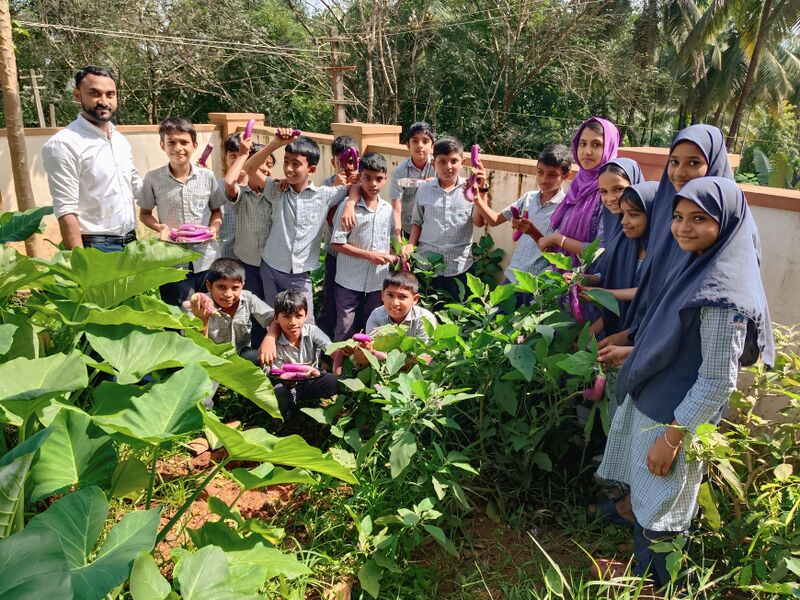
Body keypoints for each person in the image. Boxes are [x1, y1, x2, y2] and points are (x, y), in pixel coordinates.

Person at [593, 177, 773, 589]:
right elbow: (674, 342)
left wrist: (672, 438)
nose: (683, 228)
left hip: (674, 419)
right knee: (650, 499)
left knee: (664, 510)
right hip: (658, 404)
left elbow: (715, 381)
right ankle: (643, 574)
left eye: (699, 219)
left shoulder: (723, 296)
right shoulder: (698, 266)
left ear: (726, 224)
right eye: (677, 217)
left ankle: (658, 586)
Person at [598, 125, 739, 365]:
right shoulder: (667, 225)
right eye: (674, 162)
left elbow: (712, 362)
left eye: (694, 163)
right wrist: (631, 336)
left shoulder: (726, 236)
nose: (680, 172)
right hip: (648, 349)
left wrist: (636, 350)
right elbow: (656, 292)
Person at [245, 132, 349, 319]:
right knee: (275, 319)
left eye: (296, 163)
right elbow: (250, 167)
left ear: (312, 169)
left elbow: (353, 187)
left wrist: (349, 205)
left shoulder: (324, 195)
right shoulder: (277, 191)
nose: (288, 168)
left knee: (305, 324)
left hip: (299, 275)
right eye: (286, 161)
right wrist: (275, 144)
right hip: (271, 267)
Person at [42, 65, 142, 251]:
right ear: (78, 96)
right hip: (95, 247)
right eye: (95, 93)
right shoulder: (64, 144)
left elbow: (137, 187)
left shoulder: (119, 139)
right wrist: (83, 264)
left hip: (130, 243)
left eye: (110, 94)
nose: (104, 101)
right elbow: (66, 211)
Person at [138, 117, 226, 306]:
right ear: (163, 145)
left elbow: (216, 210)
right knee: (178, 316)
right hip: (173, 261)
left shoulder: (207, 177)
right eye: (172, 142)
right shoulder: (153, 179)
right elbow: (144, 213)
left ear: (194, 145)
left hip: (206, 259)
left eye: (184, 142)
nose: (178, 148)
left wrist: (214, 228)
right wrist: (161, 228)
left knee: (208, 313)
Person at [471, 143, 572, 303]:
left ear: (566, 175)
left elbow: (555, 253)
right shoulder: (529, 198)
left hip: (537, 286)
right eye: (540, 172)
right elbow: (494, 220)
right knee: (496, 322)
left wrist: (532, 231)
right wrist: (477, 196)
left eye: (552, 174)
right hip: (512, 277)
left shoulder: (566, 209)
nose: (544, 179)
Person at [402, 136, 486, 300]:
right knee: (428, 314)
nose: (448, 167)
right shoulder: (424, 190)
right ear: (434, 163)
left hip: (459, 267)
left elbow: (479, 222)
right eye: (442, 161)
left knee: (457, 316)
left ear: (463, 162)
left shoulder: (470, 190)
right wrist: (410, 245)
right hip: (428, 266)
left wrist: (482, 192)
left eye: (454, 161)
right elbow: (417, 222)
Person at [330, 152, 397, 341]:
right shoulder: (348, 207)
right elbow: (337, 243)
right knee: (345, 327)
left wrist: (395, 254)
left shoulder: (387, 209)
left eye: (378, 179)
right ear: (359, 177)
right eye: (367, 178)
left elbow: (390, 238)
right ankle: (338, 368)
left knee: (372, 328)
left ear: (385, 179)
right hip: (349, 281)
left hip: (377, 281)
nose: (373, 184)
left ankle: (364, 366)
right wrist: (370, 256)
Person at [538, 117, 620, 258]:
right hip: (564, 271)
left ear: (609, 147)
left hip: (588, 277)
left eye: (596, 145)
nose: (586, 151)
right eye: (583, 144)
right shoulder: (579, 184)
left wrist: (558, 240)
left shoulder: (610, 191)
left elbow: (601, 251)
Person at [587, 182, 658, 339]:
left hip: (645, 336)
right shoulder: (627, 246)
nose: (623, 222)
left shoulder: (663, 253)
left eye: (633, 215)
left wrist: (604, 293)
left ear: (654, 214)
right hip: (619, 332)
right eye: (623, 214)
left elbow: (652, 291)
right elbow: (615, 281)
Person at [184, 258, 275, 366]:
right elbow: (197, 350)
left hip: (239, 354)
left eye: (235, 288)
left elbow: (275, 318)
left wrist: (270, 339)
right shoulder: (199, 306)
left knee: (256, 357)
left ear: (243, 285)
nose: (228, 294)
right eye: (221, 287)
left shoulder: (248, 298)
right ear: (209, 285)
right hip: (210, 359)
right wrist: (203, 320)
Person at [268, 290, 339, 420]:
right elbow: (278, 372)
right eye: (286, 316)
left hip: (312, 380)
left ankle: (329, 407)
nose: (293, 322)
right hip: (287, 385)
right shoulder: (272, 342)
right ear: (276, 317)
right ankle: (285, 417)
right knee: (279, 395)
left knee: (333, 381)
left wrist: (340, 361)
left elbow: (332, 349)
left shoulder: (313, 331)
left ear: (306, 315)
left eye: (298, 316)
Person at [318, 135, 361, 338]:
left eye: (352, 161)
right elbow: (328, 220)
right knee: (330, 300)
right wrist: (338, 189)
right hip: (334, 255)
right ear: (334, 161)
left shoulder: (365, 182)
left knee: (353, 305)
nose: (348, 166)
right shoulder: (327, 186)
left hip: (358, 257)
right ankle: (324, 343)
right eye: (342, 161)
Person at [389, 121, 435, 238]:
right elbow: (396, 207)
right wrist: (397, 236)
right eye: (415, 141)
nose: (420, 145)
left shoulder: (439, 168)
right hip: (407, 229)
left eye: (425, 141)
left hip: (432, 231)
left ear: (432, 146)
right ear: (408, 145)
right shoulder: (400, 172)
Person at [365, 270, 438, 342]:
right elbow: (372, 348)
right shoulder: (377, 316)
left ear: (415, 299)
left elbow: (426, 350)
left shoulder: (425, 319)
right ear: (382, 295)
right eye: (390, 295)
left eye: (403, 296)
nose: (395, 303)